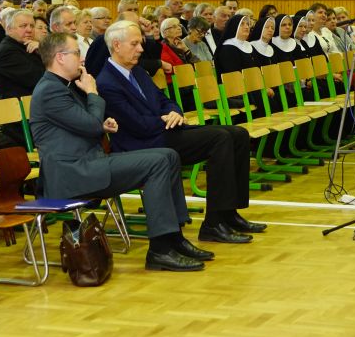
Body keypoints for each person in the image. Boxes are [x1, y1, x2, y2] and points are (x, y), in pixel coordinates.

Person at [30, 32, 212, 272]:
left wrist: (102, 124)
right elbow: (90, 124)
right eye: (77, 53)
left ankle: (174, 238)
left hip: (89, 163)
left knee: (167, 155)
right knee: (157, 161)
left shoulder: (65, 86)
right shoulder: (50, 90)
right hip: (72, 173)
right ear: (60, 57)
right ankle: (160, 249)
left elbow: (83, 124)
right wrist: (93, 93)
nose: (82, 59)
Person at [96, 21, 264, 244]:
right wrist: (166, 120)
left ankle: (229, 213)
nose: (141, 49)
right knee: (221, 138)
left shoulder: (136, 71)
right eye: (134, 44)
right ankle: (213, 224)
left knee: (238, 134)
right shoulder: (106, 82)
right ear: (116, 45)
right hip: (142, 144)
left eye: (140, 43)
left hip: (163, 132)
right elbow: (137, 125)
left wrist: (174, 112)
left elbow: (165, 100)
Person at [0, 9, 44, 100]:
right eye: (23, 26)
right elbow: (39, 79)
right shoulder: (7, 52)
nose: (29, 30)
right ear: (9, 29)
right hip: (21, 105)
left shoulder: (25, 45)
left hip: (36, 99)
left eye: (32, 26)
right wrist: (45, 51)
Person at [159, 17, 195, 84]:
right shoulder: (162, 47)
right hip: (174, 83)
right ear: (165, 32)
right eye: (174, 26)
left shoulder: (180, 44)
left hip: (187, 80)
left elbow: (196, 64)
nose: (179, 28)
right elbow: (173, 69)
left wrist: (185, 49)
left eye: (179, 25)